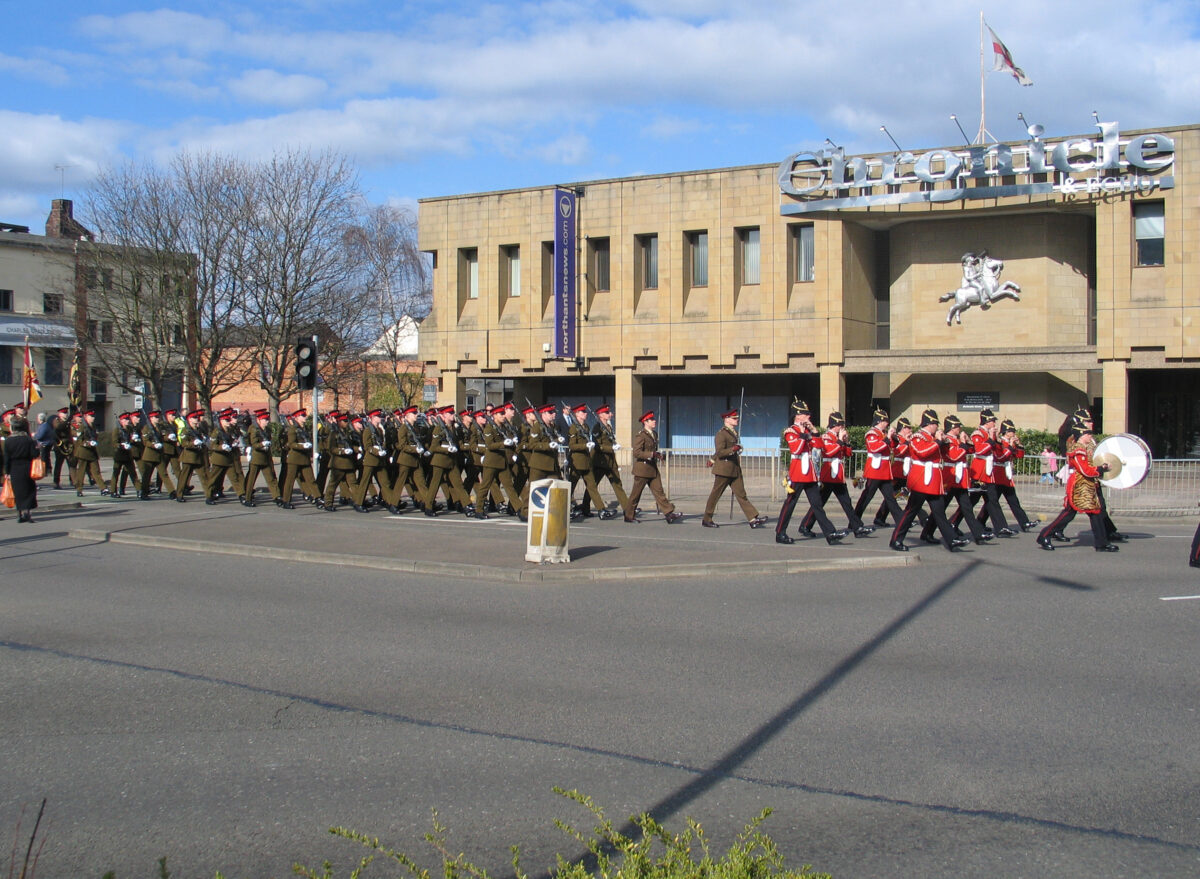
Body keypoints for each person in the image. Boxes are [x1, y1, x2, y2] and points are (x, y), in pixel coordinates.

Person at [889, 408, 968, 552]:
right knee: (910, 512)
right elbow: (922, 452)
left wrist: (945, 442)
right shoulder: (917, 437)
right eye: (935, 424)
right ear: (929, 424)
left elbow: (946, 454)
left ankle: (951, 540)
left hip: (933, 481)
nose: (937, 427)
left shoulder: (932, 438)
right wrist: (938, 441)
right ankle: (896, 540)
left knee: (939, 512)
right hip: (921, 479)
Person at [1037, 420, 1118, 552]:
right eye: (1088, 434)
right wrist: (1101, 469)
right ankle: (1045, 535)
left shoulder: (1084, 448)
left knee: (1095, 513)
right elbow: (1085, 470)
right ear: (1081, 435)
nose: (1090, 436)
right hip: (1079, 485)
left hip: (1087, 485)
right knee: (1069, 513)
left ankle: (1102, 543)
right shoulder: (1078, 450)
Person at [775, 399, 847, 545]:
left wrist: (813, 431)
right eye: (805, 414)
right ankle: (780, 532)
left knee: (817, 505)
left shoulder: (808, 430)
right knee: (790, 503)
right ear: (797, 415)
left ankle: (830, 533)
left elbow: (819, 446)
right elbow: (796, 449)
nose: (808, 416)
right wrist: (803, 435)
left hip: (810, 473)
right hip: (798, 472)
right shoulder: (791, 431)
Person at [798, 411, 871, 537]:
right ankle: (805, 525)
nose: (841, 427)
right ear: (834, 425)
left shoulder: (838, 438)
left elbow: (848, 453)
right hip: (828, 474)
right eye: (839, 425)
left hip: (838, 475)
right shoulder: (826, 437)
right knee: (819, 503)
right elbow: (828, 452)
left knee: (846, 502)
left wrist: (846, 442)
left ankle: (857, 527)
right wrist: (840, 441)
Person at [701, 408, 767, 529]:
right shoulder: (721, 434)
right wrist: (732, 449)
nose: (737, 420)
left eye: (736, 418)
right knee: (715, 495)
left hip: (734, 469)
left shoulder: (733, 432)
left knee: (741, 494)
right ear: (726, 419)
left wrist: (714, 458)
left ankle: (752, 518)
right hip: (724, 470)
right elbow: (720, 452)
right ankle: (707, 518)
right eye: (734, 418)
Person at [626, 410, 682, 523]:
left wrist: (658, 455)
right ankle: (629, 515)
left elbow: (653, 450)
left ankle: (669, 514)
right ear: (645, 422)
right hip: (642, 470)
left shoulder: (654, 434)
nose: (654, 421)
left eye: (653, 419)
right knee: (636, 494)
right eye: (651, 420)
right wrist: (651, 454)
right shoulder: (641, 435)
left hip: (652, 468)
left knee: (659, 492)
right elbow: (636, 453)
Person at [3, 416, 39, 522]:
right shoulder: (28, 440)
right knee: (29, 490)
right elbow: (34, 454)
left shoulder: (9, 441)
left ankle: (19, 513)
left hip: (14, 468)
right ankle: (27, 513)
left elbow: (7, 458)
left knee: (17, 491)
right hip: (27, 467)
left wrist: (7, 472)